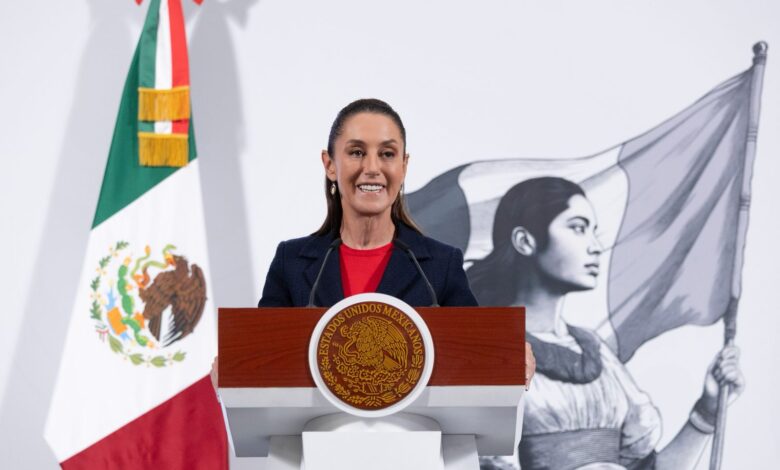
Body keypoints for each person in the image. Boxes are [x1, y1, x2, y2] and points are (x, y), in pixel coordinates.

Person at [211, 99, 536, 388]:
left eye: (387, 154)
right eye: (356, 152)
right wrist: (235, 369)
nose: (372, 168)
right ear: (330, 165)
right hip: (318, 436)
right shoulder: (292, 262)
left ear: (403, 166)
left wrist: (510, 359)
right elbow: (265, 360)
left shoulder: (441, 265)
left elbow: (476, 358)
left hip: (414, 437)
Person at [468, 177, 744, 470]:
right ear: (525, 241)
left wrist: (707, 412)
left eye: (594, 232)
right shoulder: (486, 353)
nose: (596, 246)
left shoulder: (595, 351)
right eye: (578, 228)